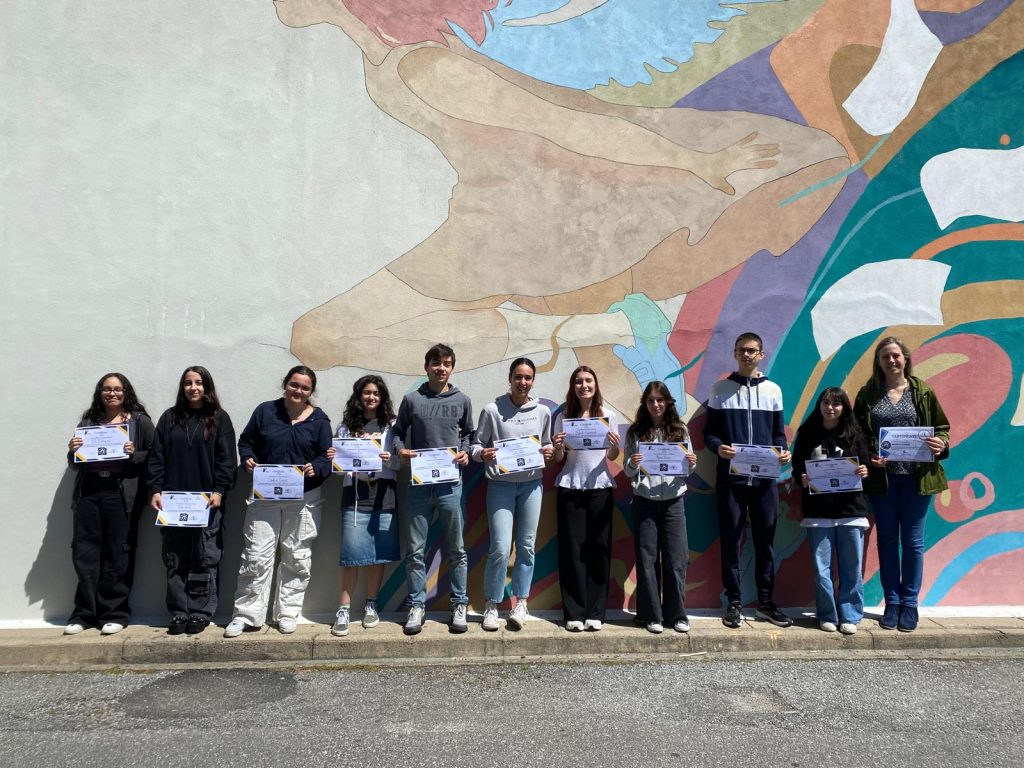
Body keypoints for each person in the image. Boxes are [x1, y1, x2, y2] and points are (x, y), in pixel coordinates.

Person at [224, 366, 332, 637]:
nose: (298, 391)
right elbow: (246, 442)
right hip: (266, 495)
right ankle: (247, 614)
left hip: (305, 497)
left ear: (311, 392)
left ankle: (287, 613)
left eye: (305, 388)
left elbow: (326, 457)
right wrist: (247, 458)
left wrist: (315, 468)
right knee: (256, 555)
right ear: (285, 385)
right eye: (294, 385)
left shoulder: (320, 421)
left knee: (296, 556)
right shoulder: (265, 411)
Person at [854, 337, 950, 632]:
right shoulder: (867, 394)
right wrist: (870, 457)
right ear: (878, 362)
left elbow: (942, 429)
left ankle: (910, 603)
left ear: (906, 358)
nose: (891, 361)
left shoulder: (923, 391)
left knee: (913, 542)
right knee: (886, 541)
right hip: (883, 481)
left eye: (896, 355)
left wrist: (940, 444)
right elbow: (856, 434)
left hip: (917, 479)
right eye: (885, 357)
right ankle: (892, 602)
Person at [703, 332, 793, 628]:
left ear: (761, 355)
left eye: (752, 350)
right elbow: (709, 434)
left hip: (766, 482)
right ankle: (734, 602)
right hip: (732, 480)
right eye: (741, 350)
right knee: (730, 541)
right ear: (734, 353)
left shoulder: (774, 390)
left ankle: (766, 603)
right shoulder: (720, 389)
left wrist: (783, 452)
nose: (746, 355)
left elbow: (779, 434)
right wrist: (720, 448)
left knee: (765, 541)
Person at [392, 343, 475, 635]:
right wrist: (401, 452)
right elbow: (397, 432)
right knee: (415, 550)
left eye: (447, 363)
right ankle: (417, 605)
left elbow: (468, 433)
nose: (441, 368)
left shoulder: (462, 399)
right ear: (426, 366)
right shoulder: (412, 400)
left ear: (452, 367)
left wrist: (465, 452)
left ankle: (459, 604)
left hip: (451, 485)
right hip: (418, 485)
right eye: (436, 363)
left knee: (457, 549)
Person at [148, 366, 237, 635]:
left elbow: (227, 460)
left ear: (207, 387)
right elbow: (157, 457)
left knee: (205, 557)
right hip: (172, 504)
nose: (193, 388)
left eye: (199, 383)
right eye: (188, 383)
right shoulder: (169, 418)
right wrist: (155, 489)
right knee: (175, 557)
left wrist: (220, 490)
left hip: (207, 503)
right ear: (182, 387)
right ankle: (179, 610)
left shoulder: (219, 419)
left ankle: (200, 611)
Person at [64, 373, 154, 636]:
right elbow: (74, 463)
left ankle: (114, 613)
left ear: (126, 392)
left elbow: (154, 456)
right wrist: (74, 450)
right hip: (90, 492)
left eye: (117, 389)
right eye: (106, 389)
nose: (111, 393)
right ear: (99, 393)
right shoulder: (89, 422)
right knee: (85, 552)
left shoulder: (140, 422)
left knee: (119, 552)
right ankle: (84, 613)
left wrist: (133, 454)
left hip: (121, 494)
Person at [472, 358, 553, 631]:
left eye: (528, 377)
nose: (523, 382)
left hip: (531, 486)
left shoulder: (542, 411)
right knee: (500, 547)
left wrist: (549, 451)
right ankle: (492, 603)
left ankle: (520, 602)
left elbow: (547, 444)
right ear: (510, 378)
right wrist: (482, 453)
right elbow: (475, 446)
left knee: (527, 546)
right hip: (501, 486)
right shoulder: (492, 410)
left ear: (533, 381)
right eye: (518, 377)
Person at [326, 375, 401, 637]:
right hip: (354, 495)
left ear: (382, 398)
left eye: (376, 393)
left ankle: (371, 604)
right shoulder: (346, 427)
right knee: (351, 555)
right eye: (366, 393)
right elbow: (338, 472)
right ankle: (344, 609)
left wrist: (388, 458)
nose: (371, 397)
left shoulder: (392, 426)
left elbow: (399, 465)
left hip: (384, 494)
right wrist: (334, 460)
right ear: (358, 396)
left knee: (376, 555)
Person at [791, 387, 870, 635]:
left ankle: (850, 615)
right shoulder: (807, 433)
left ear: (844, 408)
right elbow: (796, 467)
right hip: (818, 513)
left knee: (851, 568)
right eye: (826, 402)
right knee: (821, 569)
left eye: (837, 404)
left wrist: (865, 471)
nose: (830, 408)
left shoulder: (856, 434)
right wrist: (801, 478)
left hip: (850, 511)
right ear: (820, 405)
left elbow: (866, 465)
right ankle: (827, 614)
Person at [623, 381, 697, 634]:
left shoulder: (680, 430)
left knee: (676, 560)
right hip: (645, 502)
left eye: (660, 400)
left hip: (674, 502)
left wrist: (691, 462)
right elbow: (627, 471)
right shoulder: (635, 432)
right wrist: (634, 463)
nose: (656, 405)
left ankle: (677, 615)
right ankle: (651, 615)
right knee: (647, 561)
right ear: (645, 404)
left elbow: (687, 469)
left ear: (667, 402)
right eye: (651, 400)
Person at [551, 366, 620, 632]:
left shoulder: (608, 416)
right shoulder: (564, 417)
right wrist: (557, 446)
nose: (584, 385)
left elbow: (612, 457)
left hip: (600, 488)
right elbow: (558, 459)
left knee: (599, 551)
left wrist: (614, 445)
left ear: (595, 384)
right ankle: (574, 613)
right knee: (572, 552)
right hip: (570, 487)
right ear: (573, 386)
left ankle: (595, 612)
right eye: (578, 381)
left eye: (588, 381)